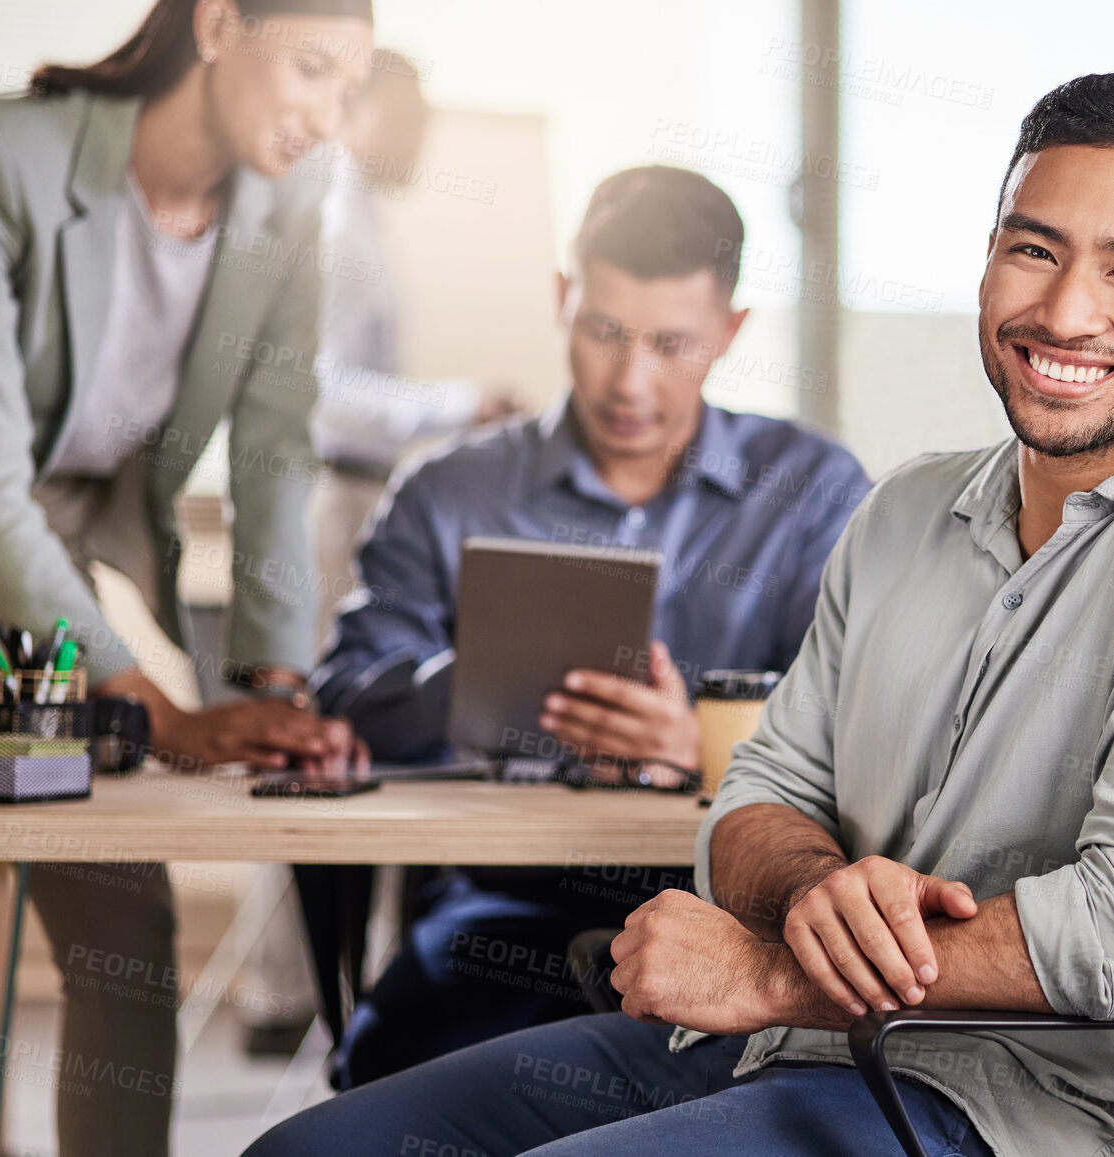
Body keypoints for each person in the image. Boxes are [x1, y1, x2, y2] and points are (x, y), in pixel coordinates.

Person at [244, 72, 1114, 1157]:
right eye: (1033, 249)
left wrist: (773, 969)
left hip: (1000, 1104)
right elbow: (761, 790)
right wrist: (817, 892)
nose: (1066, 310)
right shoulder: (904, 512)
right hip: (762, 1048)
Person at [0, 1, 373, 1154]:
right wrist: (160, 708)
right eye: (309, 68)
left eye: (348, 88)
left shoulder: (290, 198)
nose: (327, 115)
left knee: (121, 907)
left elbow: (272, 444)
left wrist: (275, 685)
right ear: (216, 25)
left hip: (31, 549)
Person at [301, 165, 872, 1086]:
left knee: (736, 1094)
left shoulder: (812, 491)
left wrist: (708, 745)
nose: (629, 379)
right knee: (387, 1075)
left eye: (671, 342)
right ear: (562, 299)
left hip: (730, 914)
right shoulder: (450, 489)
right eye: (603, 330)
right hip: (507, 905)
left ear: (730, 333)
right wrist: (496, 680)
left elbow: (868, 725)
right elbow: (345, 702)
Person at [307, 46, 520, 647]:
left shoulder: (366, 222)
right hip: (333, 492)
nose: (418, 138)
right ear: (348, 113)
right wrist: (459, 405)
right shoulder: (340, 229)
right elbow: (320, 392)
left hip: (362, 487)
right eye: (402, 119)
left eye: (423, 121)